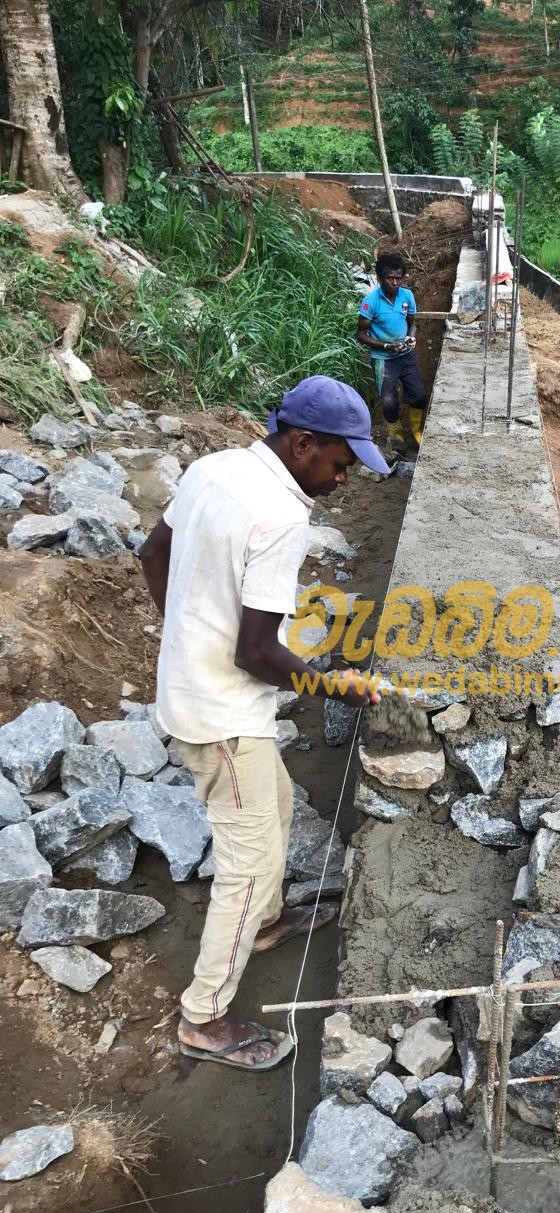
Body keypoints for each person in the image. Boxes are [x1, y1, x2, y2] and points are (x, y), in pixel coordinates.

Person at [139, 375, 388, 1071]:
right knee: (248, 865)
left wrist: (186, 634)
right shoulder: (280, 515)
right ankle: (204, 1016)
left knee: (273, 803)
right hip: (220, 714)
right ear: (302, 443)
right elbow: (257, 652)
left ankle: (270, 924)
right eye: (340, 463)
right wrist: (331, 683)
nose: (343, 479)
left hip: (201, 693)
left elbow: (151, 555)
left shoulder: (213, 469)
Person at [356, 251, 428, 451]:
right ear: (380, 278)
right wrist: (386, 346)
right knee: (388, 400)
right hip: (383, 359)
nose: (394, 283)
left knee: (419, 395)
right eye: (389, 278)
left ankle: (415, 430)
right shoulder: (371, 302)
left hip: (406, 354)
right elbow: (361, 334)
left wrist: (410, 337)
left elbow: (412, 323)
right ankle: (396, 435)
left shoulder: (407, 296)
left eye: (398, 278)